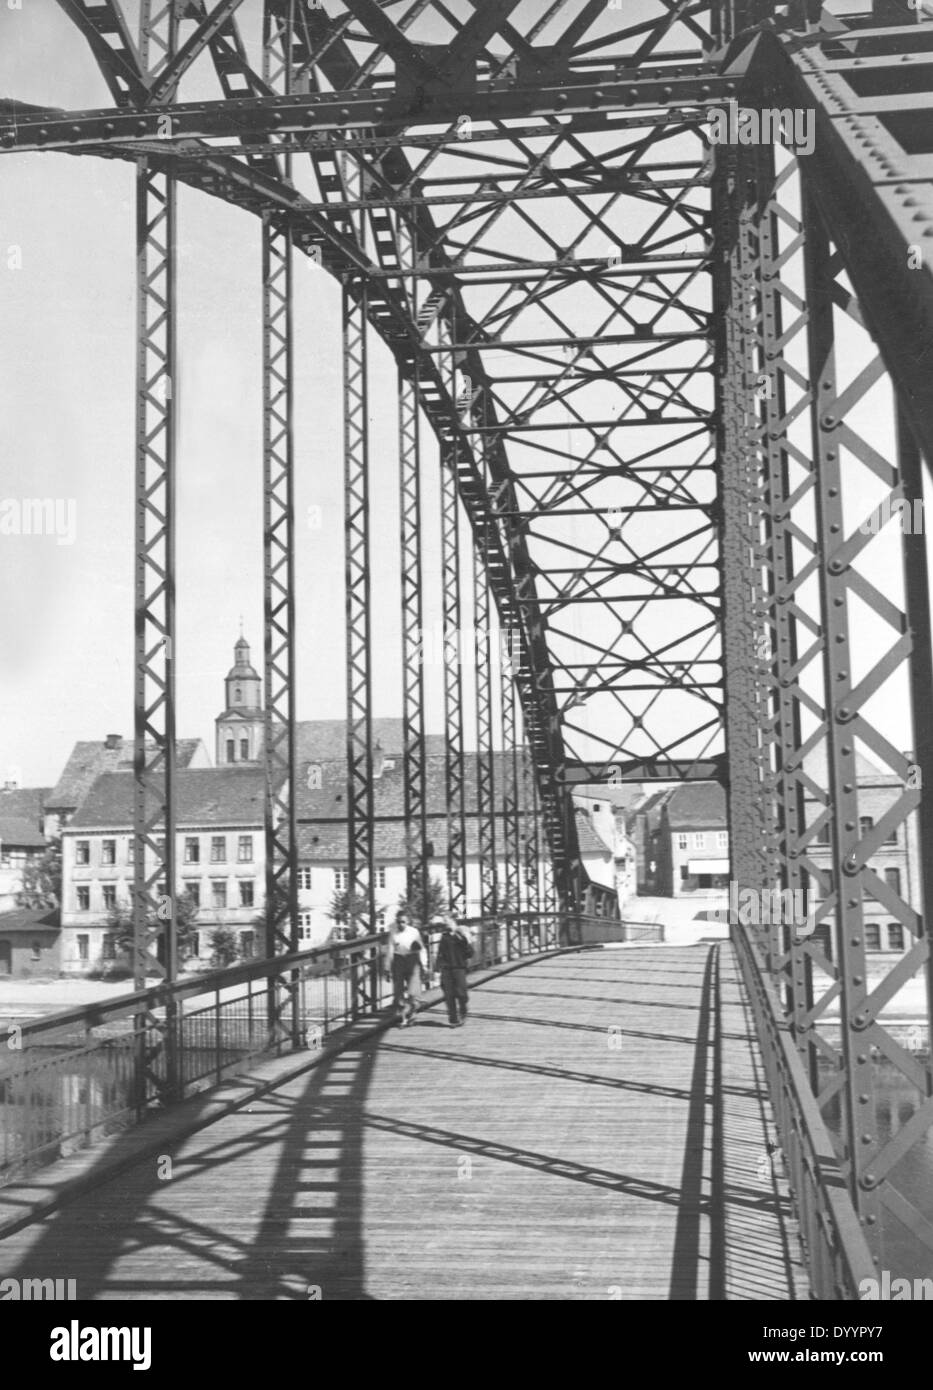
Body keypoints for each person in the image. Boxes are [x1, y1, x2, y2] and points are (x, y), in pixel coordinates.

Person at [387, 911, 428, 1026]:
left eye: (403, 922)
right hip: (399, 960)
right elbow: (390, 949)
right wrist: (387, 967)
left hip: (412, 960)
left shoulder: (414, 932)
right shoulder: (393, 933)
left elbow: (421, 949)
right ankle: (403, 1018)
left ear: (408, 922)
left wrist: (424, 965)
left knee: (412, 990)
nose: (401, 924)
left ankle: (413, 1013)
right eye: (398, 922)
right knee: (398, 990)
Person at [433, 913, 473, 1027]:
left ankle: (463, 1010)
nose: (445, 923)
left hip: (459, 968)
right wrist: (437, 966)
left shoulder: (461, 933)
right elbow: (440, 952)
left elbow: (470, 952)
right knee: (448, 995)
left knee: (462, 994)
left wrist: (464, 939)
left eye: (447, 920)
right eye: (444, 921)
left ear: (453, 920)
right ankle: (453, 1019)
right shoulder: (444, 936)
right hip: (447, 969)